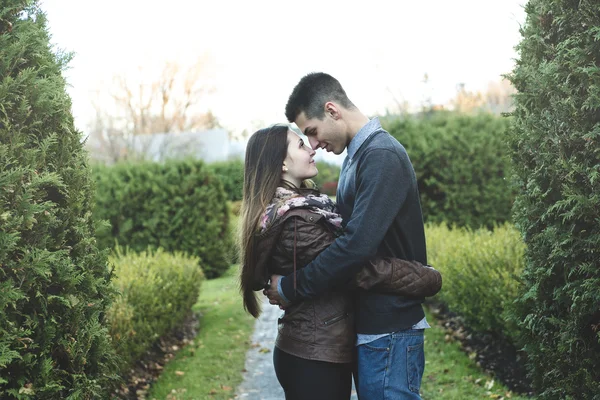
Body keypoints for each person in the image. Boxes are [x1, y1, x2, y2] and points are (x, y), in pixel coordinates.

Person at [239, 125, 441, 400]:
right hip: (314, 355)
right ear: (282, 164)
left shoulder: (302, 208)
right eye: (300, 145)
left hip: (314, 349)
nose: (310, 148)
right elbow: (352, 268)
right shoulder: (297, 220)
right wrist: (426, 278)